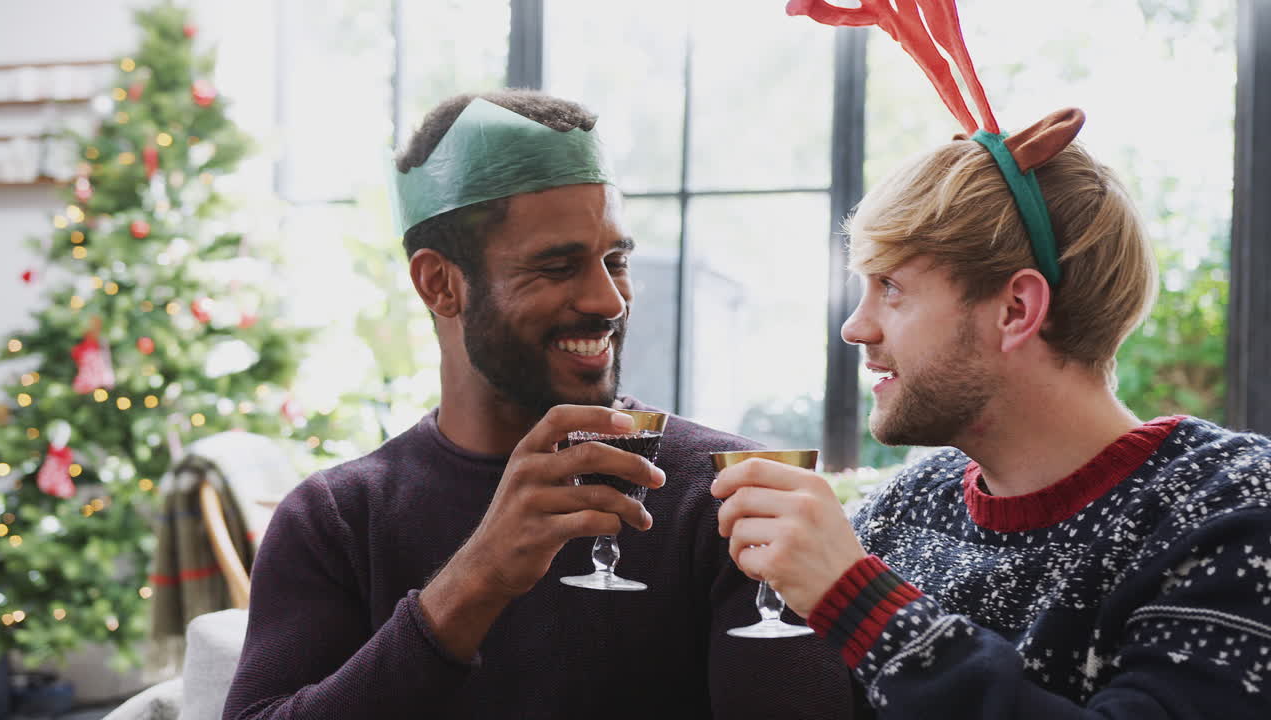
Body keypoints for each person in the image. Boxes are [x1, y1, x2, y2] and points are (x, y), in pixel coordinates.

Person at [710, 2, 1271, 718]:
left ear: (1015, 310)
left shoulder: (1231, 511)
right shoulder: (903, 510)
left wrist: (854, 596)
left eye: (891, 288)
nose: (856, 327)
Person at [222, 89, 853, 719]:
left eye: (615, 260)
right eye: (558, 266)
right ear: (440, 284)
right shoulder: (335, 521)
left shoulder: (734, 498)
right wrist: (476, 580)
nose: (609, 301)